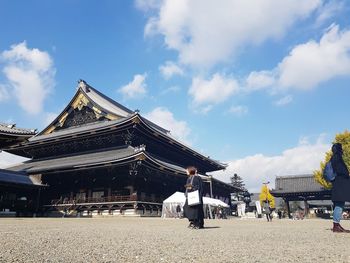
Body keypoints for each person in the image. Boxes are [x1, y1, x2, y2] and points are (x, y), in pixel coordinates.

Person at [330, 143, 350, 233]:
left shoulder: (333, 158)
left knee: (339, 203)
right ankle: (336, 225)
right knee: (339, 204)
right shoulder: (338, 158)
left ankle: (337, 225)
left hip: (337, 183)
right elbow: (342, 171)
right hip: (340, 183)